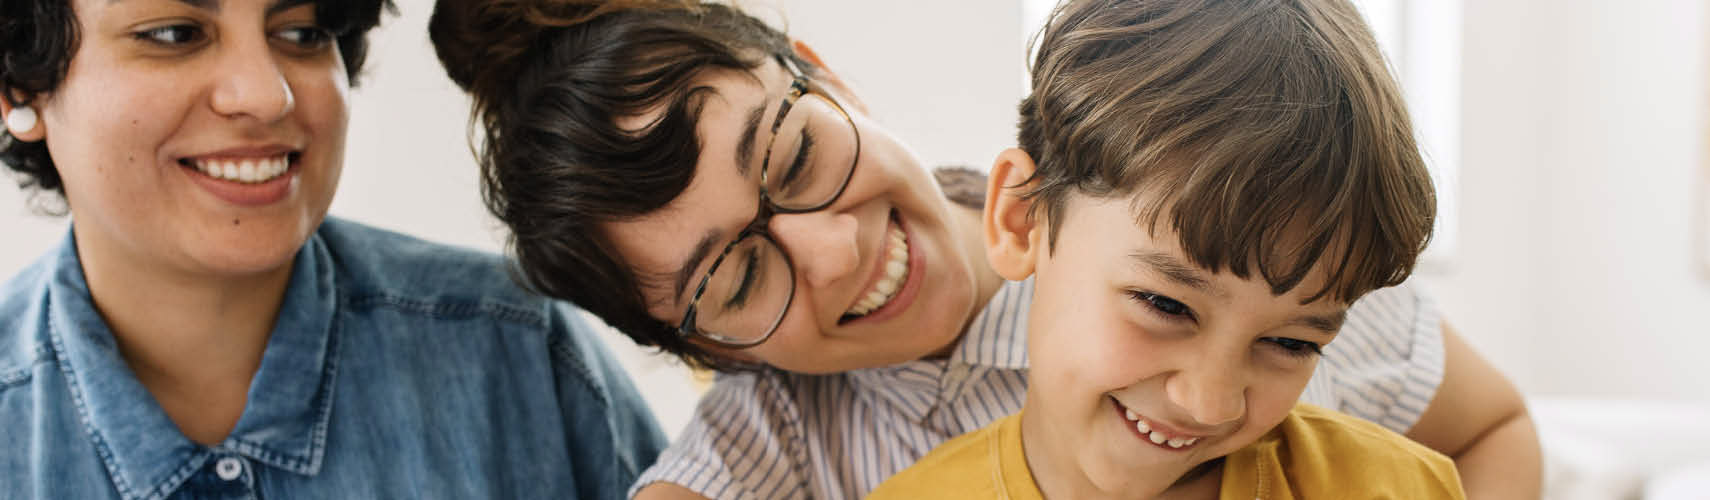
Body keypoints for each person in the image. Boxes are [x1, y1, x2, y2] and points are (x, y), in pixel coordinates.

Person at [427, 1, 1541, 498]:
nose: (834, 248)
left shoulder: (1221, 211)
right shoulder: (778, 433)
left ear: (827, 76)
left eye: (797, 155)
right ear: (698, 343)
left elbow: (1489, 426)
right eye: (740, 277)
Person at [0, 0, 665, 497]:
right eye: (175, 34)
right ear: (20, 88)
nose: (266, 94)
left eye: (303, 32)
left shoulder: (519, 350)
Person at [868, 0, 1466, 497]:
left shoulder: (1399, 488)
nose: (1210, 403)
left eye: (1290, 343)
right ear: (1023, 221)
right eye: (1166, 305)